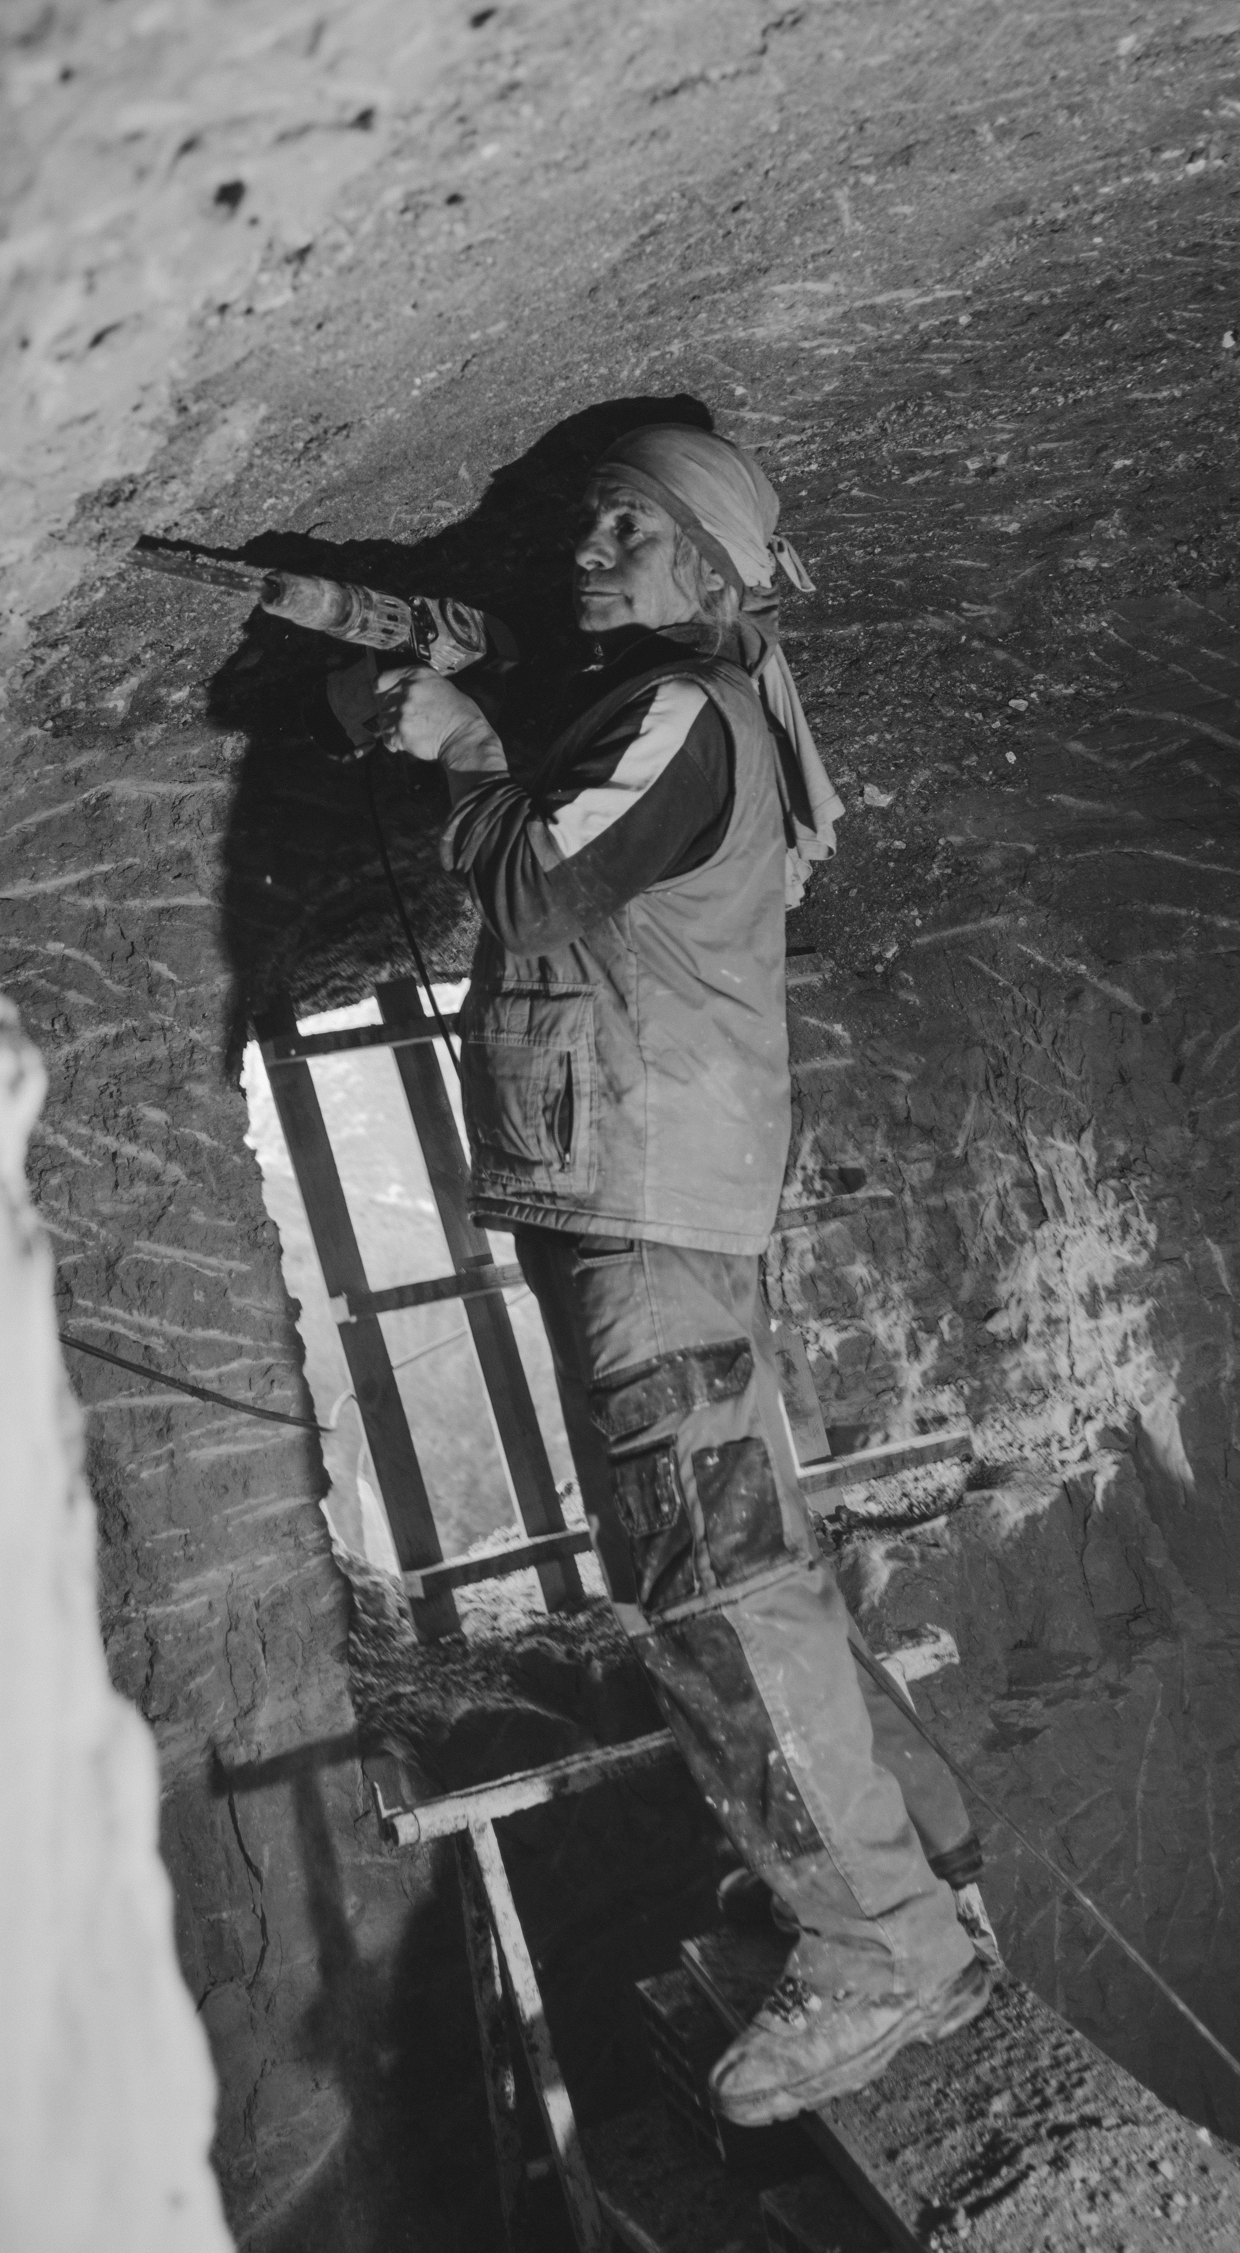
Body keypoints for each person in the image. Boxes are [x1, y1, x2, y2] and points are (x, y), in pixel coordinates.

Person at [373, 422, 993, 2126]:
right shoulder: (678, 708)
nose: (590, 553)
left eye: (629, 532)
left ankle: (878, 1945)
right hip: (658, 1196)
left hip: (647, 1198)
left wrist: (463, 743)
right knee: (747, 1551)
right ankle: (914, 1874)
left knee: (709, 1580)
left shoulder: (681, 713)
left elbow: (534, 881)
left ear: (711, 566)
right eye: (590, 529)